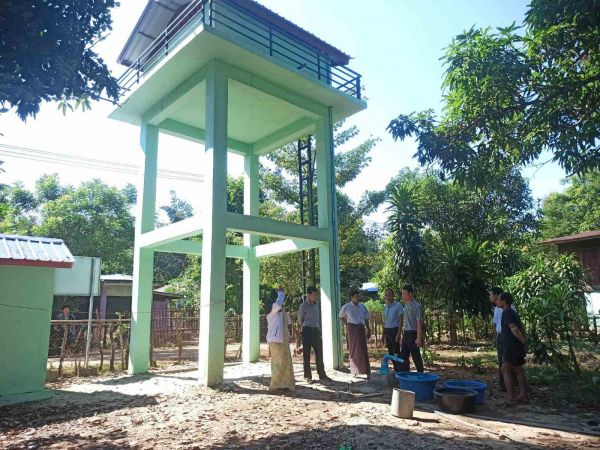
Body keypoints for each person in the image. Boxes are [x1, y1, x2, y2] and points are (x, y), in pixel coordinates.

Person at [497, 291, 528, 405]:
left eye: (499, 299)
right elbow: (521, 328)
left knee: (505, 369)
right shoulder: (513, 312)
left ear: (504, 301)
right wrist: (523, 342)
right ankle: (523, 395)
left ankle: (511, 398)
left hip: (510, 346)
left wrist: (521, 340)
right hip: (516, 345)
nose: (497, 302)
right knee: (518, 369)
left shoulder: (506, 312)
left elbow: (514, 328)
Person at [298, 286, 331, 383]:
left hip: (316, 331)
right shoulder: (303, 306)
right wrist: (305, 326)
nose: (316, 296)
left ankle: (322, 374)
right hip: (307, 330)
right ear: (308, 295)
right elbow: (300, 320)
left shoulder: (317, 305)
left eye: (316, 294)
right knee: (306, 354)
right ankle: (307, 376)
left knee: (319, 353)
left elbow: (319, 318)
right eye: (314, 294)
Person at [266, 287, 295, 391]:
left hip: (283, 339)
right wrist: (281, 293)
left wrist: (290, 335)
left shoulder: (280, 309)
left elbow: (287, 322)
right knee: (277, 363)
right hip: (275, 339)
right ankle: (275, 385)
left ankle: (285, 384)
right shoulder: (273, 308)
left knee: (285, 362)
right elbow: (279, 303)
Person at [339, 289, 371, 379]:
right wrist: (348, 324)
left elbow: (366, 318)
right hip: (352, 330)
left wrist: (368, 329)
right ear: (352, 297)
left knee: (363, 350)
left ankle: (366, 371)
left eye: (358, 295)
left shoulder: (362, 306)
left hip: (361, 329)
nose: (358, 297)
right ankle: (355, 371)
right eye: (356, 296)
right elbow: (341, 316)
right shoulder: (347, 306)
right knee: (353, 350)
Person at [490, 287, 515, 391]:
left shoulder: (509, 308)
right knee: (501, 360)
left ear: (497, 295)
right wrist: (495, 336)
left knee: (507, 361)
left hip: (507, 336)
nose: (490, 297)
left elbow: (514, 325)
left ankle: (511, 385)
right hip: (500, 336)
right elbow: (496, 324)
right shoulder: (497, 308)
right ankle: (503, 385)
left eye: (491, 294)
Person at [396, 285, 424, 372]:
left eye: (404, 293)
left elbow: (419, 322)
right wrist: (402, 336)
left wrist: (418, 338)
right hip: (406, 333)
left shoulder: (417, 306)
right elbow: (405, 322)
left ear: (410, 294)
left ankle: (421, 374)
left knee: (416, 356)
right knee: (403, 356)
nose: (402, 296)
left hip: (413, 333)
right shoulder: (405, 305)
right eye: (402, 293)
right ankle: (405, 374)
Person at [382, 288, 404, 371]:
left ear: (393, 295)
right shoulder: (385, 306)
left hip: (394, 331)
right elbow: (385, 321)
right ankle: (396, 369)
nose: (388, 297)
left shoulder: (398, 305)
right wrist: (383, 334)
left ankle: (399, 370)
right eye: (386, 295)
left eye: (390, 295)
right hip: (387, 331)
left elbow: (401, 320)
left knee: (396, 352)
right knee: (390, 352)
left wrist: (399, 334)